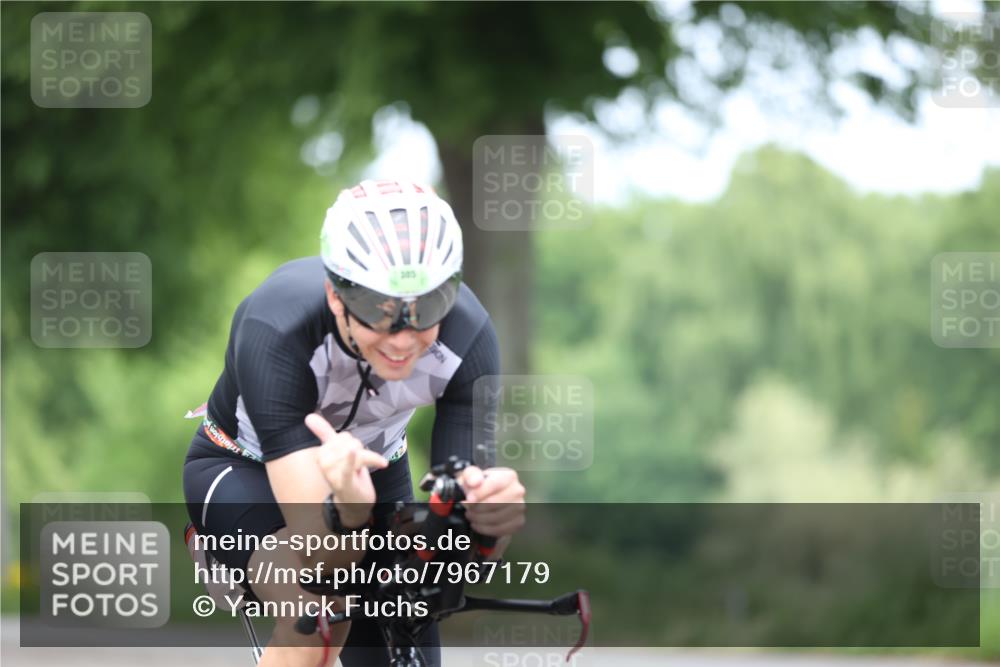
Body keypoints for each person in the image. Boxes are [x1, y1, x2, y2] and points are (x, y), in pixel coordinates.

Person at [183, 179, 526, 666]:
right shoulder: (276, 328)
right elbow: (322, 563)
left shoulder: (469, 340)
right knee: (322, 612)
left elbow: (458, 564)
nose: (402, 339)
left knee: (410, 609)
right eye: (377, 312)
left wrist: (491, 526)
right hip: (243, 467)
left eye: (426, 309)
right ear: (336, 296)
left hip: (375, 470)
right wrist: (348, 513)